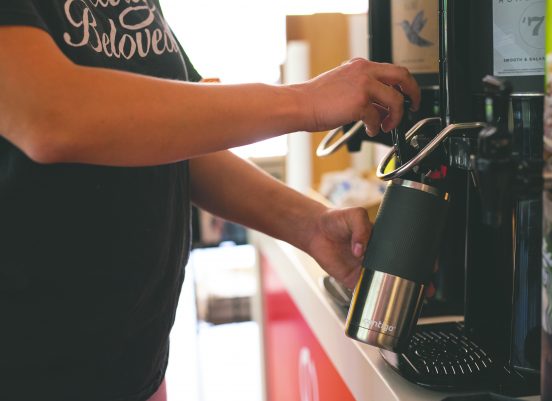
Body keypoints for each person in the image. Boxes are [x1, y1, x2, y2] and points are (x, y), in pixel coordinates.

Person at [0, 1, 420, 400]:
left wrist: (310, 225)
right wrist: (305, 100)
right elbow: (48, 112)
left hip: (130, 369)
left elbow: (172, 139)